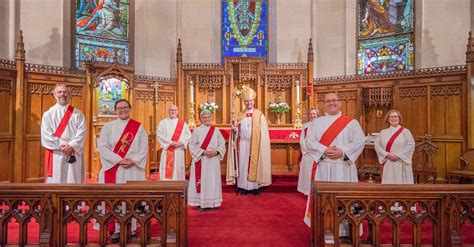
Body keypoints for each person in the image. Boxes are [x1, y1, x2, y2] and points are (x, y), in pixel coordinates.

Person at [303, 93, 365, 236]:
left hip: (345, 168)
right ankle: (324, 230)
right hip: (324, 167)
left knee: (346, 200)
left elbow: (359, 141)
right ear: (324, 104)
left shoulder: (351, 123)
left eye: (334, 101)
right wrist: (324, 149)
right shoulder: (316, 123)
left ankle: (347, 232)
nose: (331, 103)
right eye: (328, 101)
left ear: (340, 103)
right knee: (325, 201)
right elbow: (309, 142)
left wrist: (343, 152)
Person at [97, 99, 148, 243]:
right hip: (113, 168)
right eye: (119, 108)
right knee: (114, 200)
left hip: (132, 169)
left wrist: (132, 160)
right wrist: (119, 160)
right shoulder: (108, 127)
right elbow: (103, 148)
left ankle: (131, 228)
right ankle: (113, 230)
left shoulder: (138, 127)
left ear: (130, 109)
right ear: (115, 111)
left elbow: (144, 149)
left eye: (125, 107)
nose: (122, 110)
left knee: (131, 199)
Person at [226, 85, 271, 196]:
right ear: (244, 102)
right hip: (242, 144)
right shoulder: (240, 114)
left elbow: (264, 133)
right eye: (246, 101)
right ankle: (242, 187)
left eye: (250, 101)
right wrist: (235, 130)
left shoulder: (259, 115)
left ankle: (254, 188)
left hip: (255, 144)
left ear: (253, 102)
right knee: (243, 165)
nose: (248, 103)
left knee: (254, 164)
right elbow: (236, 131)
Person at [41, 84, 86, 184]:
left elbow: (81, 132)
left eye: (65, 92)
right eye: (59, 92)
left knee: (73, 180)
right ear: (54, 94)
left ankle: (74, 199)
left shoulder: (78, 114)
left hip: (73, 152)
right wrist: (63, 146)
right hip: (57, 153)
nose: (62, 94)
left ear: (70, 95)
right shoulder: (48, 114)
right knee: (57, 181)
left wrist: (72, 146)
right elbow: (46, 135)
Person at [188, 109, 226, 210]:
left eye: (208, 117)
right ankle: (201, 203)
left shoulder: (216, 130)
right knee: (203, 181)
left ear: (211, 117)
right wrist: (203, 152)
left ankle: (212, 203)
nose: (206, 119)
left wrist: (216, 152)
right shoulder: (197, 130)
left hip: (213, 160)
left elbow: (222, 144)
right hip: (202, 160)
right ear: (201, 119)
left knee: (212, 181)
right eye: (204, 117)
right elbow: (191, 145)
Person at [374, 109, 415, 184]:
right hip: (388, 162)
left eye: (396, 116)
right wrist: (387, 155)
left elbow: (410, 146)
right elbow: (377, 145)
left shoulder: (406, 132)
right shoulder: (383, 132)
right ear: (388, 119)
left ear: (399, 118)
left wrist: (398, 156)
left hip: (401, 162)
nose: (393, 118)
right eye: (391, 117)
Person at [156, 104, 191, 180]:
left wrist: (181, 142)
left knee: (178, 171)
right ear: (168, 112)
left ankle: (179, 188)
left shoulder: (183, 124)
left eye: (175, 110)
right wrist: (170, 143)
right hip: (168, 150)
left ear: (177, 112)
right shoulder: (163, 123)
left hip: (179, 151)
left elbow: (188, 136)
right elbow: (160, 135)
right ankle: (166, 187)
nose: (173, 112)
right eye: (171, 110)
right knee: (166, 173)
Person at [297, 107, 320, 195]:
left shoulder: (321, 125)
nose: (312, 116)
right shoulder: (305, 125)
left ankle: (315, 192)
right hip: (307, 154)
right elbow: (302, 139)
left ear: (317, 115)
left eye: (314, 114)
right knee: (307, 174)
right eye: (310, 114)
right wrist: (307, 150)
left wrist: (316, 150)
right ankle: (307, 191)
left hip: (316, 154)